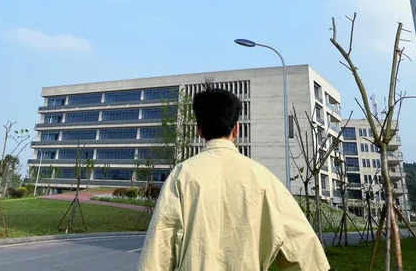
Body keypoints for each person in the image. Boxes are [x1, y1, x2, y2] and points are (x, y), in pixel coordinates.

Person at [137, 83, 331, 271]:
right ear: (236, 129)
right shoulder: (263, 178)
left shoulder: (182, 175)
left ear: (199, 130)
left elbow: (157, 254)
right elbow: (306, 252)